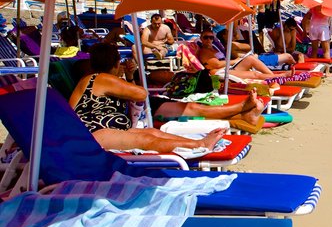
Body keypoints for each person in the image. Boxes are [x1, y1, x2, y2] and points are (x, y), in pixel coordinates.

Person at [69, 44, 227, 153]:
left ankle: (196, 144)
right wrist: (125, 77)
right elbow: (141, 94)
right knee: (144, 139)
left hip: (101, 132)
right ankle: (199, 144)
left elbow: (131, 98)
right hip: (92, 135)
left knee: (152, 132)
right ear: (117, 63)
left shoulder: (97, 79)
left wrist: (129, 76)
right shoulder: (102, 78)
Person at [196, 31, 279, 79]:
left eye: (211, 38)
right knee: (254, 74)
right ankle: (281, 76)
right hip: (219, 72)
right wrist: (235, 61)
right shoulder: (204, 51)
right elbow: (217, 64)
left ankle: (273, 76)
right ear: (201, 38)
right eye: (206, 37)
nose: (208, 40)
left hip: (227, 68)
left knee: (251, 59)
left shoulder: (214, 48)